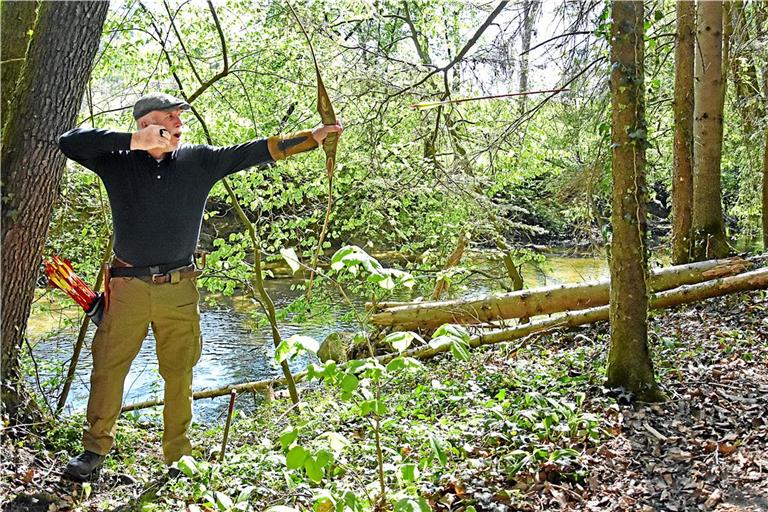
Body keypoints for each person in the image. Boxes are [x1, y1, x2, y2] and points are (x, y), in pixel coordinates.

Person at [57, 92, 342, 481]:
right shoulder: (116, 161)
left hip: (179, 288)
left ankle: (178, 458)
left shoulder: (198, 160)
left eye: (179, 116)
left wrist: (312, 137)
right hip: (127, 288)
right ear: (145, 123)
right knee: (108, 369)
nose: (178, 121)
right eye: (169, 116)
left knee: (179, 373)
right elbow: (68, 141)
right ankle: (94, 451)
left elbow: (254, 151)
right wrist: (134, 142)